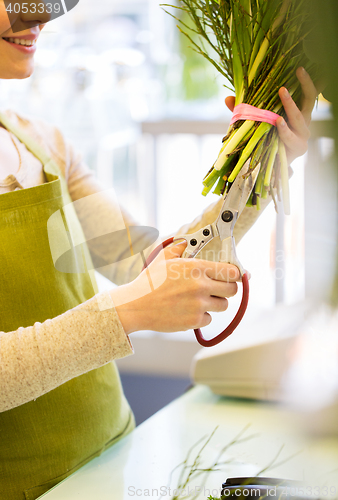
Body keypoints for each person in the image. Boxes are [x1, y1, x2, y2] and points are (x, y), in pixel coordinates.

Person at [0, 4, 318, 499]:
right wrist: (126, 310)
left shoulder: (42, 142)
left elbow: (149, 259)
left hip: (112, 459)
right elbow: (141, 290)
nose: (39, 12)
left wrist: (262, 162)